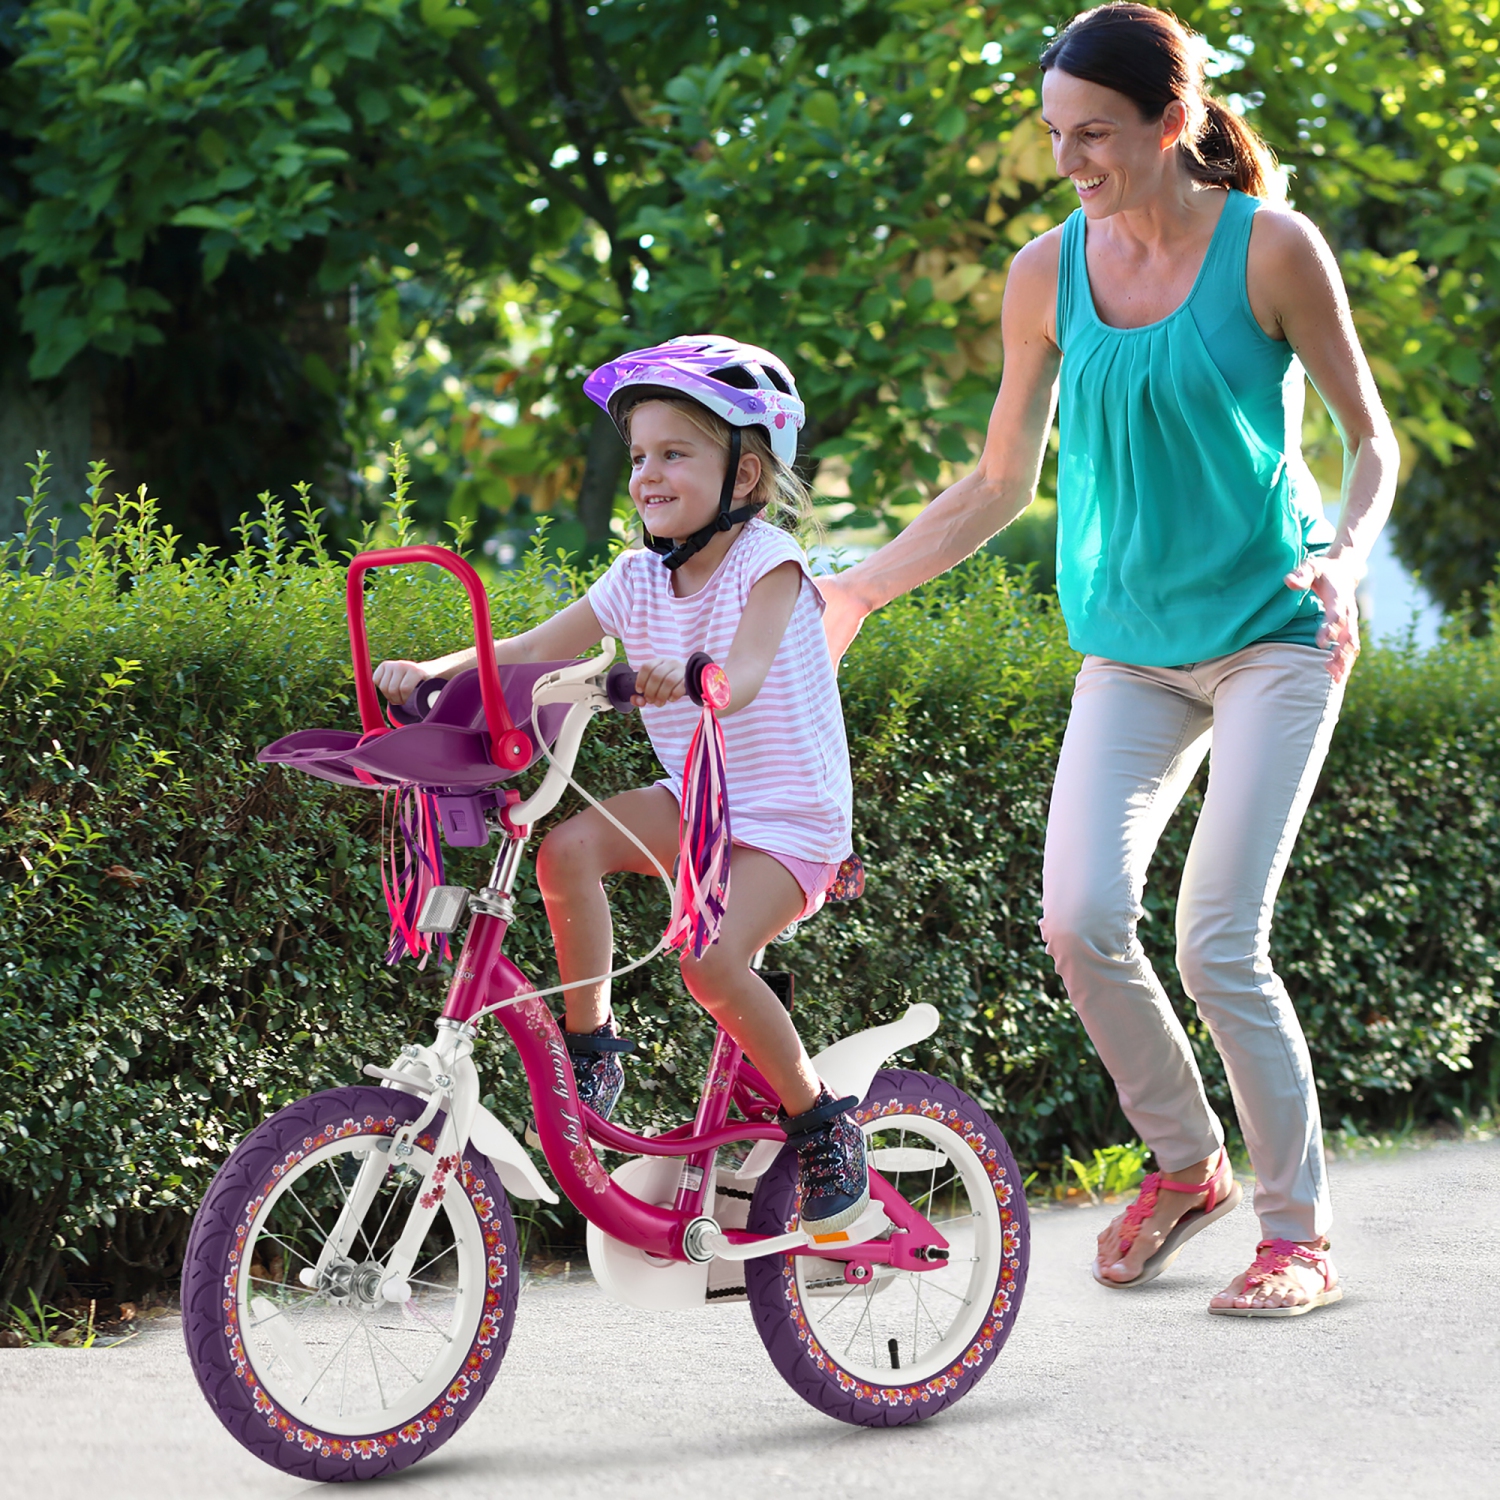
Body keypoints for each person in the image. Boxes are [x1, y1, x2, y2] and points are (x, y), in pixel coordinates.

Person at [815, 4, 1397, 1315]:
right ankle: (1189, 1169)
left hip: (1275, 632)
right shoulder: (1047, 274)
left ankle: (1296, 1236)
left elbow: (1374, 443)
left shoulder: (1274, 252)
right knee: (1080, 919)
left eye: (1096, 134)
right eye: (1055, 136)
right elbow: (997, 483)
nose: (1070, 160)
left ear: (1173, 123)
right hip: (1130, 655)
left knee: (1218, 942)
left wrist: (1347, 553)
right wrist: (860, 586)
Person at [373, 336, 867, 1235]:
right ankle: (594, 1044)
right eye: (640, 456)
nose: (648, 473)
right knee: (567, 850)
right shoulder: (639, 576)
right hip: (699, 803)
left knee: (710, 960)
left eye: (675, 453)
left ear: (746, 478)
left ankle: (821, 1120)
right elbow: (527, 649)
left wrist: (701, 672)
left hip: (788, 823)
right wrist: (436, 673)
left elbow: (748, 671)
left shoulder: (770, 563)